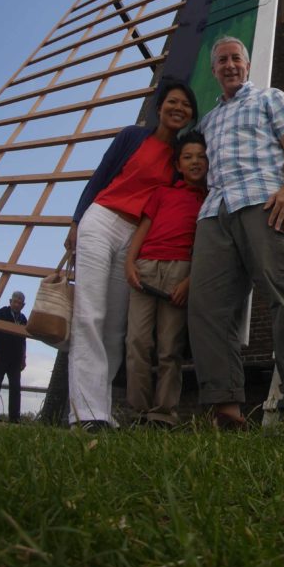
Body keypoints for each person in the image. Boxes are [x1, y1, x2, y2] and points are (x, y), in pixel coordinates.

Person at [188, 36, 284, 429]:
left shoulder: (270, 98)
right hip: (216, 212)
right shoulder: (207, 122)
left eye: (236, 59)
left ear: (246, 66)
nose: (229, 65)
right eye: (222, 61)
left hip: (266, 200)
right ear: (213, 70)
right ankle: (226, 410)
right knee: (207, 308)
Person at [65, 78, 198, 430]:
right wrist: (76, 221)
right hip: (103, 219)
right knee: (89, 312)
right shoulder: (131, 136)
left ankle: (101, 410)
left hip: (134, 236)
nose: (178, 108)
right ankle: (83, 414)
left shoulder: (180, 162)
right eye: (172, 101)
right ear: (159, 107)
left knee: (115, 327)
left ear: (190, 115)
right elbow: (100, 177)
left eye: (185, 105)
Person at [124, 131, 208, 427]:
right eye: (188, 157)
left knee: (169, 347)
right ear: (179, 164)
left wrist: (189, 282)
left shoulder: (209, 200)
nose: (195, 161)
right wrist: (130, 262)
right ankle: (138, 411)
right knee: (136, 340)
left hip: (179, 269)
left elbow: (206, 245)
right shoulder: (162, 193)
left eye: (201, 156)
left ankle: (163, 413)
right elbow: (144, 227)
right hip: (146, 266)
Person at [0, 290, 27, 423]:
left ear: (23, 305)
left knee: (15, 387)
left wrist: (23, 358)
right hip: (0, 355)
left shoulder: (23, 319)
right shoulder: (0, 313)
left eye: (19, 303)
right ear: (10, 302)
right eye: (15, 302)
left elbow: (23, 340)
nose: (16, 305)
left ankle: (14, 417)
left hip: (15, 358)